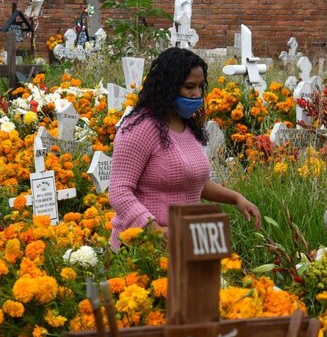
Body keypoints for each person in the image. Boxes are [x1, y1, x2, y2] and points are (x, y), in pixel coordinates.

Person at [108, 47, 261, 248]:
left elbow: (196, 182)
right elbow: (119, 190)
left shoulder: (187, 126)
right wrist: (151, 226)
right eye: (190, 87)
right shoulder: (139, 128)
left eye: (200, 87)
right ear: (167, 86)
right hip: (143, 246)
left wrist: (236, 198)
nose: (197, 94)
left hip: (186, 240)